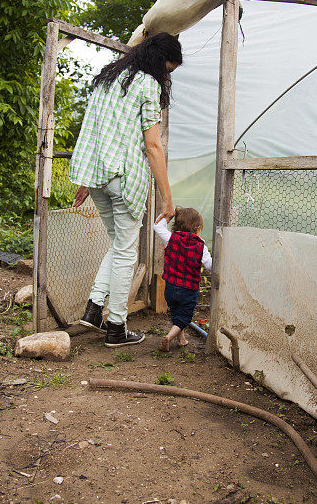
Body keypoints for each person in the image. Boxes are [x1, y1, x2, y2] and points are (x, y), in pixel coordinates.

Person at [69, 32, 182, 347]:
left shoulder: (107, 79)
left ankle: (93, 309)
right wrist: (167, 199)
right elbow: (153, 146)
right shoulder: (147, 84)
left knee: (120, 244)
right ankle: (116, 326)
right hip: (124, 178)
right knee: (126, 252)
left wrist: (86, 181)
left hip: (97, 177)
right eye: (169, 70)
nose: (167, 76)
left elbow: (94, 132)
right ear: (160, 63)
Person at [154, 207, 212, 352]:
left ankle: (182, 339)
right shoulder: (201, 246)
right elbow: (210, 266)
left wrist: (169, 214)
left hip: (171, 286)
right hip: (188, 289)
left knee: (175, 311)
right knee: (184, 317)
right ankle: (169, 337)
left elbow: (157, 226)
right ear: (198, 228)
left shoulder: (170, 238)